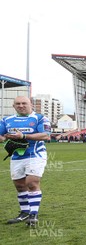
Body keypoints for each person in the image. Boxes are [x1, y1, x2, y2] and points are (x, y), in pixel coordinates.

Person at [0, 96, 51, 226]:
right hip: (16, 156)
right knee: (19, 185)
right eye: (18, 103)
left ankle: (33, 215)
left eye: (24, 103)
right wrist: (3, 138)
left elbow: (45, 135)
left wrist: (23, 136)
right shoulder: (6, 120)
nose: (21, 105)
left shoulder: (40, 118)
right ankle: (24, 213)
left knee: (32, 182)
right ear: (14, 106)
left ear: (31, 105)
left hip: (35, 155)